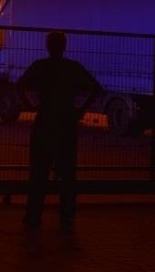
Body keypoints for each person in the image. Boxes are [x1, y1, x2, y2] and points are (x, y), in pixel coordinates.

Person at [16, 30, 103, 230]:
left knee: (39, 172)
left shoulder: (40, 67)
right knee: (67, 173)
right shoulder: (72, 68)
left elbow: (19, 86)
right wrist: (79, 110)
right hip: (66, 123)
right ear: (64, 46)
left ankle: (33, 216)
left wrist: (32, 105)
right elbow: (96, 89)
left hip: (45, 121)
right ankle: (66, 215)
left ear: (48, 46)